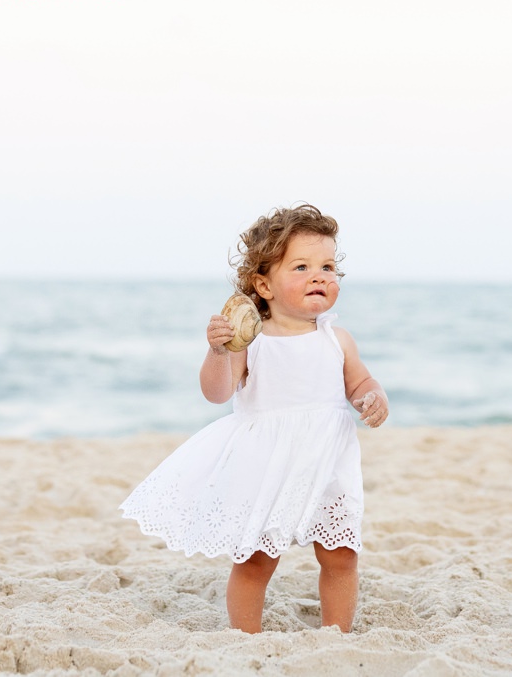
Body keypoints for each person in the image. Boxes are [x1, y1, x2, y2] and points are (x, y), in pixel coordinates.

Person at [119, 203, 388, 634]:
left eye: (328, 266)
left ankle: (337, 635)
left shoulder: (337, 339)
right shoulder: (253, 340)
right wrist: (218, 351)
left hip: (327, 463)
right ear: (263, 284)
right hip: (267, 464)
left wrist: (372, 396)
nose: (319, 275)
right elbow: (218, 392)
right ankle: (246, 636)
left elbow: (359, 383)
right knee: (257, 558)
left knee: (340, 554)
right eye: (301, 267)